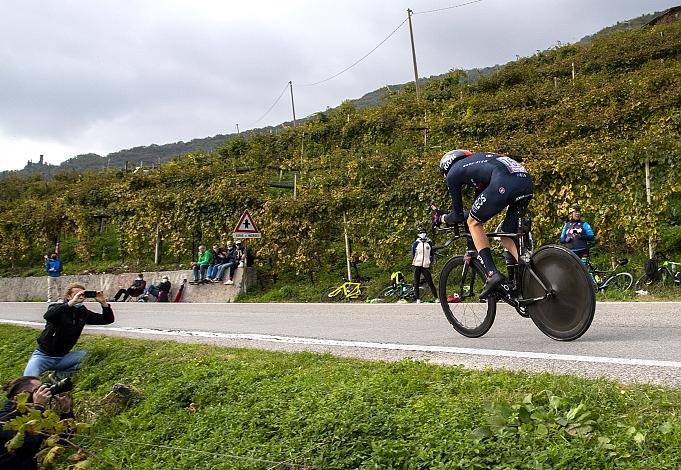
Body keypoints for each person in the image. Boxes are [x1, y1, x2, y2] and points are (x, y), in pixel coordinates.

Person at [437, 149, 534, 298]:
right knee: (506, 234)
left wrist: (442, 218)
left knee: (473, 223)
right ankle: (531, 271)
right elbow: (477, 208)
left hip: (504, 181)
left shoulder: (452, 173)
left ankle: (492, 273)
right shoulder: (480, 163)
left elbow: (458, 216)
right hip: (525, 181)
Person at [23, 284, 114, 380]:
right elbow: (48, 316)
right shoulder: (57, 308)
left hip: (63, 357)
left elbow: (107, 320)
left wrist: (104, 303)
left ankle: (58, 377)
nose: (80, 297)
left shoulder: (82, 312)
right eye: (77, 294)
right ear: (68, 296)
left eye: (83, 294)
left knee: (90, 357)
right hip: (43, 356)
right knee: (28, 381)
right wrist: (72, 302)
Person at [0, 376, 74, 469]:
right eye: (39, 390)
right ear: (25, 394)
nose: (43, 393)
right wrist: (39, 406)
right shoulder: (4, 418)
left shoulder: (35, 415)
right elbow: (29, 442)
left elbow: (63, 440)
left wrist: (66, 411)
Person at [411, 227, 438, 303]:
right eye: (420, 232)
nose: (422, 234)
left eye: (423, 232)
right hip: (417, 265)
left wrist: (430, 261)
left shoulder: (429, 243)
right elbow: (413, 254)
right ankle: (417, 299)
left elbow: (432, 253)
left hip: (425, 265)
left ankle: (436, 298)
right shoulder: (416, 243)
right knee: (416, 282)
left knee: (430, 282)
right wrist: (415, 262)